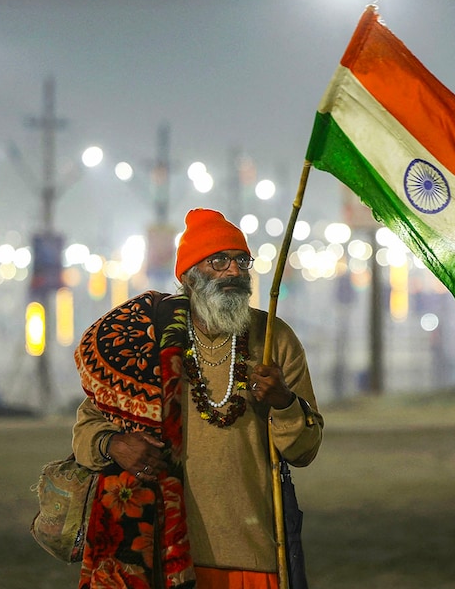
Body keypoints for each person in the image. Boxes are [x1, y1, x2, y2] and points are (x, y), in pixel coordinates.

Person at [72, 208, 324, 589]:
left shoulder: (274, 339)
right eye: (219, 261)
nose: (234, 272)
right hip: (160, 554)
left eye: (242, 261)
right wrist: (114, 444)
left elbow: (305, 450)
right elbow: (86, 430)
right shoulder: (148, 339)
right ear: (188, 277)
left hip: (254, 557)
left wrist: (284, 403)